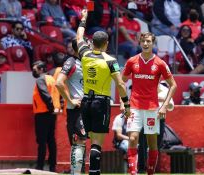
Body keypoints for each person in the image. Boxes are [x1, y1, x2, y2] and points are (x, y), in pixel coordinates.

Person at [76, 9, 131, 175]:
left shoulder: (84, 54)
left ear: (92, 42)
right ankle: (94, 173)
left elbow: (79, 36)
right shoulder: (111, 61)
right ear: (106, 43)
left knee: (90, 141)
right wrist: (126, 104)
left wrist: (84, 18)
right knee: (96, 144)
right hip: (101, 103)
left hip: (85, 102)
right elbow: (121, 84)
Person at [122, 31, 177, 175]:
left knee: (152, 143)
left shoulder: (160, 63)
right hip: (134, 106)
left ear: (153, 44)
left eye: (149, 42)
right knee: (133, 138)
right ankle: (133, 172)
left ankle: (150, 172)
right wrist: (124, 102)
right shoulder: (132, 61)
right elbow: (122, 82)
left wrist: (164, 105)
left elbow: (173, 85)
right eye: (143, 41)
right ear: (140, 43)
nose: (146, 44)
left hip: (152, 109)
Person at [55, 39, 87, 175]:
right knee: (78, 141)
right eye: (85, 46)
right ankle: (76, 172)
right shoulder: (71, 62)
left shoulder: (87, 62)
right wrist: (71, 100)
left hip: (87, 108)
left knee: (82, 142)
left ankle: (79, 171)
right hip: (76, 109)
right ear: (78, 49)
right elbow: (59, 83)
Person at [32, 60, 60, 172]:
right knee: (51, 140)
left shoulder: (40, 80)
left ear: (41, 69)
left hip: (43, 113)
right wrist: (54, 108)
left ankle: (40, 166)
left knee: (42, 141)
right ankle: (52, 166)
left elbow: (45, 95)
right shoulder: (52, 79)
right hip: (52, 114)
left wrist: (50, 107)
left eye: (35, 69)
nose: (33, 71)